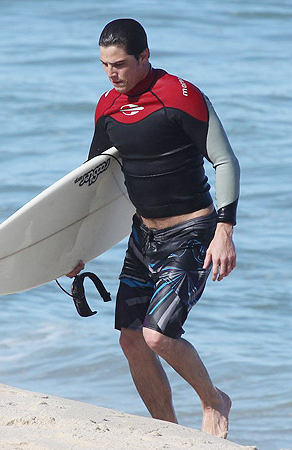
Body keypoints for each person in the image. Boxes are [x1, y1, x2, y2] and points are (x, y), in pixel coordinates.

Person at [67, 18, 240, 439]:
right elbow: (95, 182)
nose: (112, 73)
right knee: (131, 341)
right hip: (143, 236)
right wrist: (76, 248)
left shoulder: (181, 97)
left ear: (145, 56)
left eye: (121, 64)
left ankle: (213, 399)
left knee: (158, 336)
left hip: (193, 231)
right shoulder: (107, 106)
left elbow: (225, 162)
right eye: (105, 65)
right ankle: (169, 433)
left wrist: (224, 231)